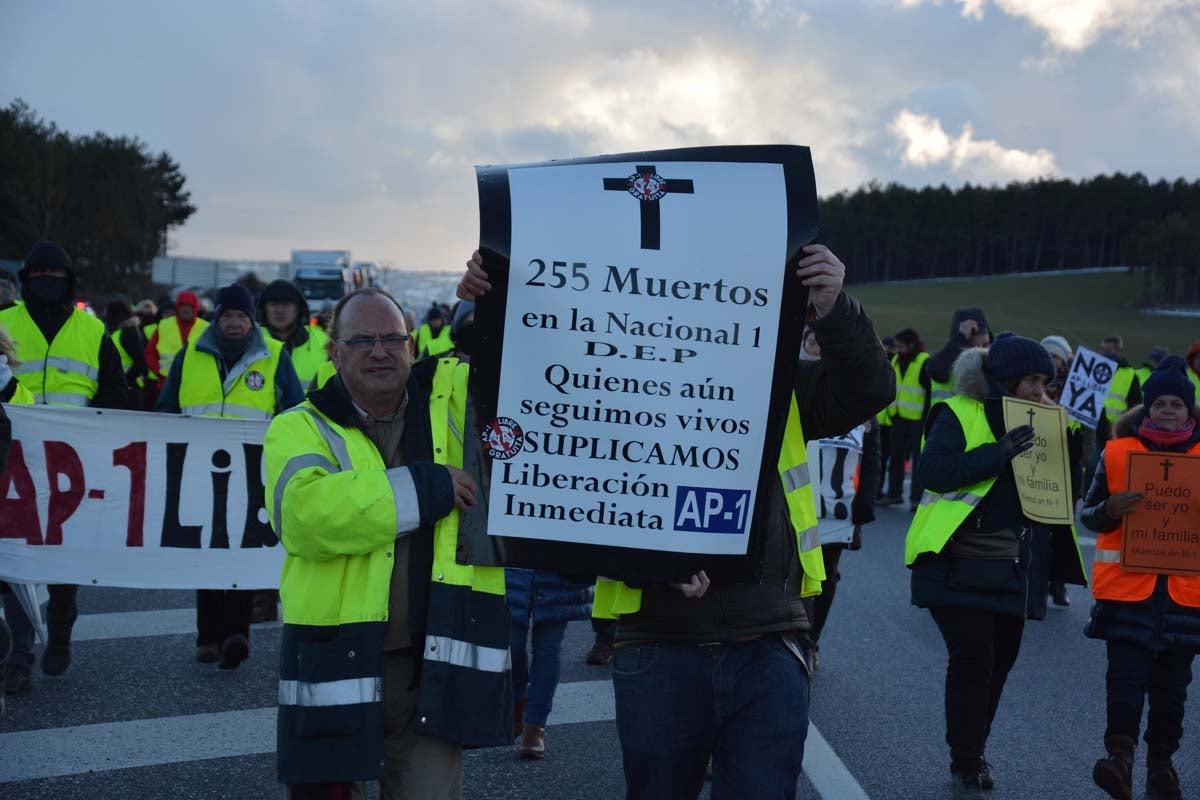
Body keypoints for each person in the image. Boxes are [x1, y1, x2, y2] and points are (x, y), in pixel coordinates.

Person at [461, 245, 895, 800]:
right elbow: (554, 485)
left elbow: (870, 389)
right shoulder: (603, 391)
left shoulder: (773, 379)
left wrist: (835, 310)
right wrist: (496, 300)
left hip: (767, 638)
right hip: (657, 642)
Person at [263, 287, 510, 798]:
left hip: (432, 663)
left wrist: (499, 283)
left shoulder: (458, 404)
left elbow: (527, 357)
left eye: (392, 339)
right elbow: (305, 518)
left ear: (413, 346)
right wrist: (427, 487)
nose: (379, 351)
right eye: (361, 340)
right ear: (334, 352)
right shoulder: (298, 427)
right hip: (334, 660)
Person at [905, 333, 1088, 799]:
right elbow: (933, 473)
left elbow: (1064, 497)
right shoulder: (959, 412)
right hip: (954, 560)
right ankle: (966, 761)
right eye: (1031, 379)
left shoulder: (1045, 420)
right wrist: (1000, 452)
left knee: (999, 663)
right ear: (1005, 379)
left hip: (1014, 566)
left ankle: (973, 749)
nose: (1039, 390)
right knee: (975, 659)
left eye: (1046, 381)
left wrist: (1072, 452)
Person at [156, 284, 304, 669]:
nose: (235, 323)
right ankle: (207, 637)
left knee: (240, 550)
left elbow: (293, 410)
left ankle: (237, 633)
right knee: (205, 551)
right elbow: (167, 406)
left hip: (252, 473)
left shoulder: (273, 356)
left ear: (252, 320)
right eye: (227, 316)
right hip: (196, 471)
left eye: (241, 316)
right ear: (216, 318)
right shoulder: (191, 354)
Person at [0, 242, 128, 682]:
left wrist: (100, 435)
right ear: (25, 281)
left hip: (74, 465)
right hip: (11, 462)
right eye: (39, 276)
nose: (47, 284)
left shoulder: (92, 332)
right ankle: (18, 654)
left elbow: (116, 393)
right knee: (13, 558)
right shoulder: (3, 323)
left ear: (69, 281)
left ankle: (60, 629)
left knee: (63, 558)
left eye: (57, 277)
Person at [1081, 356, 1200, 800]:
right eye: (1159, 404)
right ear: (1146, 409)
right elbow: (1089, 513)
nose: (1168, 411)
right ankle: (1119, 760)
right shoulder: (1117, 452)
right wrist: (1110, 510)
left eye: (1177, 404)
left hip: (1187, 598)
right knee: (1125, 683)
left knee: (1172, 693)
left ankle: (1161, 769)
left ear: (1190, 411)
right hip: (1128, 594)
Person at [801, 330, 884, 672]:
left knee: (824, 579)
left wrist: (866, 501)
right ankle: (790, 641)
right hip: (792, 505)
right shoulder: (786, 389)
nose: (819, 349)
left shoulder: (857, 398)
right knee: (791, 576)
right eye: (812, 343)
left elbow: (873, 455)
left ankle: (811, 640)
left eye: (826, 342)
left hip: (836, 510)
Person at [507, 569, 593, 758]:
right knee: (511, 645)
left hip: (556, 564)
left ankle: (535, 726)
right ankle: (516, 702)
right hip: (513, 561)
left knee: (548, 649)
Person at [1040, 334, 1086, 608]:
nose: (1052, 362)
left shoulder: (1080, 390)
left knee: (1062, 529)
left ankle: (1058, 584)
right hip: (1041, 464)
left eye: (1056, 357)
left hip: (1069, 466)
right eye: (1048, 356)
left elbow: (1090, 431)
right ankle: (1037, 580)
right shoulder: (1035, 383)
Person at [879, 328, 929, 511]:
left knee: (918, 460)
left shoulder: (924, 362)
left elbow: (929, 393)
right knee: (896, 458)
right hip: (898, 419)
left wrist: (926, 419)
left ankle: (916, 499)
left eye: (901, 346)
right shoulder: (896, 360)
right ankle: (894, 494)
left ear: (911, 345)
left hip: (918, 421)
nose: (897, 349)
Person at [259, 279, 331, 388]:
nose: (280, 310)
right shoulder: (252, 341)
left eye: (286, 304)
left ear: (298, 309)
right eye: (274, 304)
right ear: (264, 309)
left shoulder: (322, 341)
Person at [926, 308, 991, 405]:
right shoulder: (945, 361)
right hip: (948, 418)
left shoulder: (992, 361)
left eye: (985, 345)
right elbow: (936, 371)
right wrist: (961, 336)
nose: (980, 351)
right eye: (973, 347)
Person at [146, 291, 207, 391]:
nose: (186, 308)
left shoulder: (206, 328)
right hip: (166, 385)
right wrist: (159, 373)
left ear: (195, 307)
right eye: (182, 305)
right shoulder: (164, 325)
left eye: (190, 305)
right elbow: (150, 353)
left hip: (195, 386)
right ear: (178, 306)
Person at [1097, 335, 1143, 447]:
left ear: (1118, 351)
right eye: (1102, 350)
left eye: (1108, 350)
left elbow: (1136, 406)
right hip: (1094, 430)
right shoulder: (1094, 369)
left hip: (1116, 431)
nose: (1104, 353)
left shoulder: (1130, 375)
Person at [105, 300, 151, 410]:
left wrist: (125, 380)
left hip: (130, 390)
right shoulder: (116, 331)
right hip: (120, 388)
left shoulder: (127, 332)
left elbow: (141, 363)